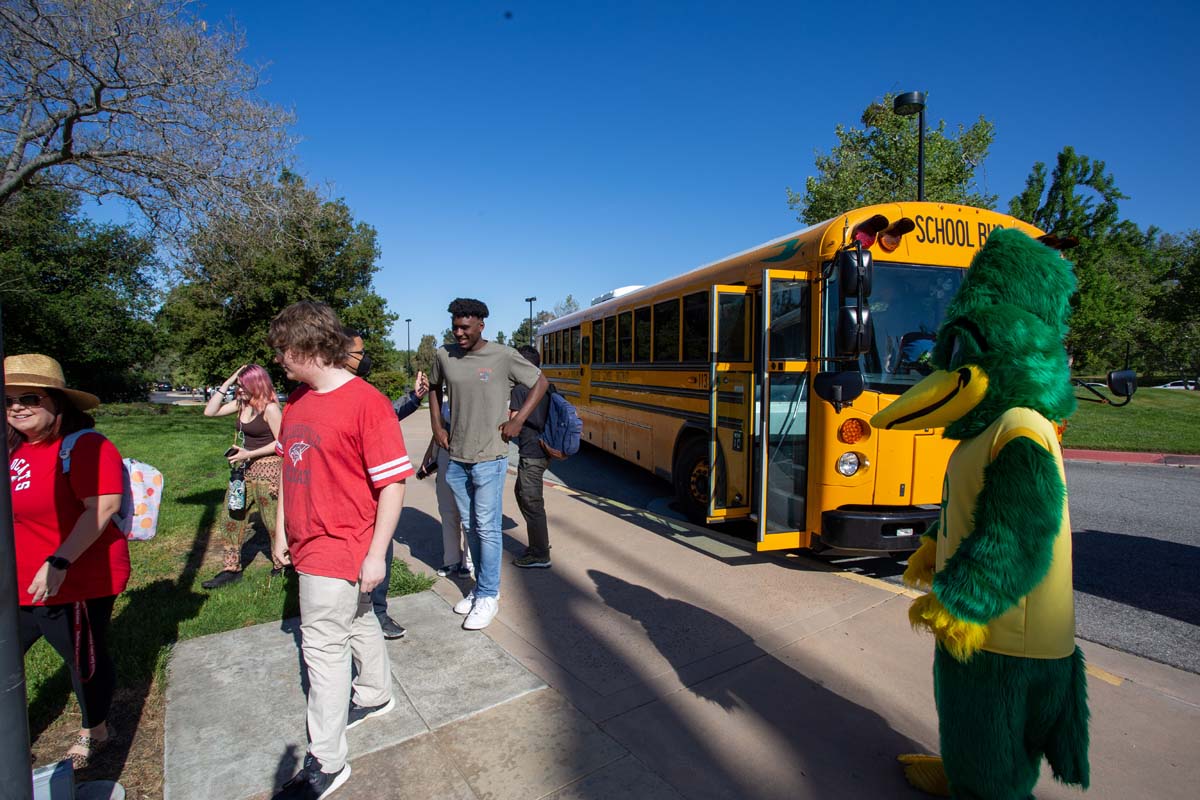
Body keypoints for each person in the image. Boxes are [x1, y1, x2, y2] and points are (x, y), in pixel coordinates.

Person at [268, 302, 414, 800]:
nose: (278, 361)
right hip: (307, 540)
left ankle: (328, 762)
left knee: (323, 647)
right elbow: (292, 467)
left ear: (307, 347)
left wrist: (376, 554)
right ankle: (375, 695)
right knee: (358, 619)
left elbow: (393, 485)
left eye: (283, 351)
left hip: (343, 542)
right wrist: (282, 531)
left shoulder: (366, 402)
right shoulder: (297, 401)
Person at [6, 353, 130, 770]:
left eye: (29, 398)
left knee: (83, 660)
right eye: (7, 401)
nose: (17, 407)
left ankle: (95, 729)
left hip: (75, 577)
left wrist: (58, 561)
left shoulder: (86, 446)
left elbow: (101, 506)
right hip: (19, 579)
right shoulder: (13, 450)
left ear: (58, 402)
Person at [429, 298, 548, 630]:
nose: (458, 332)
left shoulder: (503, 356)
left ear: (482, 325)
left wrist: (519, 421)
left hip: (490, 458)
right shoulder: (444, 354)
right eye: (455, 326)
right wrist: (437, 425)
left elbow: (541, 383)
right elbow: (434, 389)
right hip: (456, 458)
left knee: (487, 527)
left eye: (465, 327)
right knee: (471, 527)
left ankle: (488, 596)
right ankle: (480, 588)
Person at [344, 330, 423, 640]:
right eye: (360, 352)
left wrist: (414, 398)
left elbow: (384, 414)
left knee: (379, 552)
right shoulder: (317, 394)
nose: (365, 359)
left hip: (369, 498)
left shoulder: (365, 394)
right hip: (341, 498)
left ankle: (377, 611)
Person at [201, 364, 282, 589]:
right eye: (238, 386)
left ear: (257, 384)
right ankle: (231, 569)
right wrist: (228, 381)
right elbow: (210, 412)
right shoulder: (239, 404)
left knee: (272, 521)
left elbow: (281, 442)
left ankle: (282, 564)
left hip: (269, 471)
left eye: (243, 386)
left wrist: (250, 453)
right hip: (243, 472)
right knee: (231, 517)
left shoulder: (271, 408)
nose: (240, 390)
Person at [416, 399, 473, 578]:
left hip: (470, 456)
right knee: (448, 511)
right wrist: (429, 455)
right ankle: (451, 560)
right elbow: (438, 429)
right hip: (445, 454)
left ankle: (469, 561)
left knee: (469, 513)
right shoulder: (446, 399)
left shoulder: (476, 392)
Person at [510, 346, 553, 568]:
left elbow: (513, 422)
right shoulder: (548, 386)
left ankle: (540, 554)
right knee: (522, 493)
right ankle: (539, 540)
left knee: (531, 500)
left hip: (531, 452)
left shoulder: (520, 389)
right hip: (545, 450)